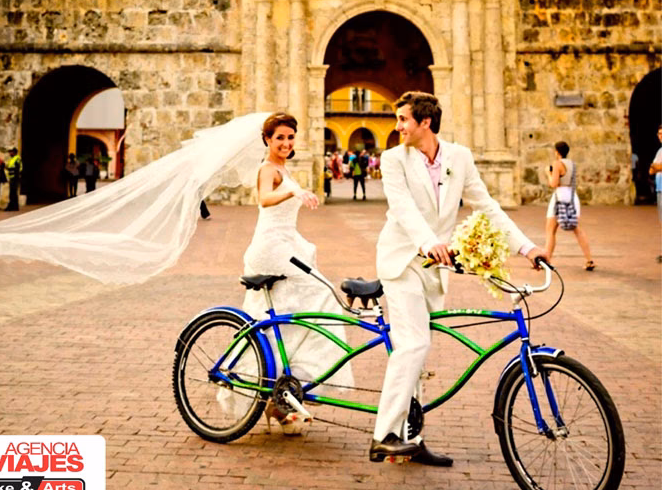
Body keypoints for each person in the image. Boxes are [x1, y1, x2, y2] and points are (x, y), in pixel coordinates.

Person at [371, 91, 546, 466]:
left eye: (403, 119)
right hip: (402, 262)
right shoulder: (392, 159)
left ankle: (411, 439)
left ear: (425, 123)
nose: (398, 126)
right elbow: (401, 208)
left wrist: (528, 248)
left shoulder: (459, 157)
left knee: (420, 353)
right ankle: (384, 435)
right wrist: (429, 241)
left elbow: (487, 207)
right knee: (413, 345)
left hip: (435, 269)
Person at [238, 112, 353, 431]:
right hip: (271, 247)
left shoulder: (282, 168)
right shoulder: (267, 168)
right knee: (321, 296)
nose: (286, 143)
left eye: (290, 137)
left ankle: (283, 394)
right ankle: (296, 381)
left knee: (290, 320)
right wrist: (292, 192)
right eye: (280, 138)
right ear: (267, 140)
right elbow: (264, 199)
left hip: (287, 243)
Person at [545, 141, 594, 270]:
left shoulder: (557, 164)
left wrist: (548, 174)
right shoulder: (572, 164)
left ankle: (547, 260)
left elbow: (554, 183)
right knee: (577, 230)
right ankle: (589, 259)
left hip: (559, 197)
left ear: (557, 152)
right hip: (572, 196)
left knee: (550, 230)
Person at [649, 125, 662, 262]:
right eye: (659, 133)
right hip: (660, 188)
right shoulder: (659, 151)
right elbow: (651, 170)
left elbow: (657, 167)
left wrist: (657, 167)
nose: (660, 136)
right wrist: (656, 167)